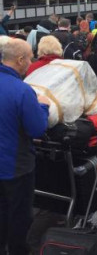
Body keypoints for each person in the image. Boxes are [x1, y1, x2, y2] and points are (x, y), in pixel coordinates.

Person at [0, 39, 50, 255]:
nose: (31, 62)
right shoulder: (22, 91)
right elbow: (37, 129)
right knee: (18, 219)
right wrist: (43, 106)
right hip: (15, 168)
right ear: (20, 60)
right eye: (30, 57)